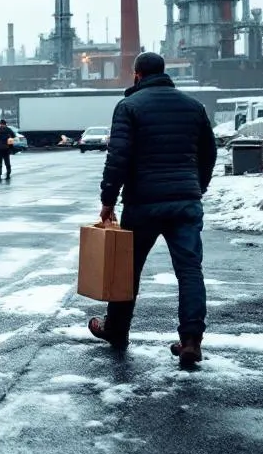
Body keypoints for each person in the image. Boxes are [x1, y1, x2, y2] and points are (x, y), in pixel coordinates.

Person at [89, 52, 216, 367]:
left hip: (143, 203)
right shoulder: (193, 106)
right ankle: (191, 341)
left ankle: (116, 330)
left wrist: (108, 200)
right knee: (189, 271)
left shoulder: (129, 106)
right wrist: (196, 186)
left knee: (126, 270)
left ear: (137, 75)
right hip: (186, 203)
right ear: (164, 73)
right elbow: (209, 154)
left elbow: (118, 156)